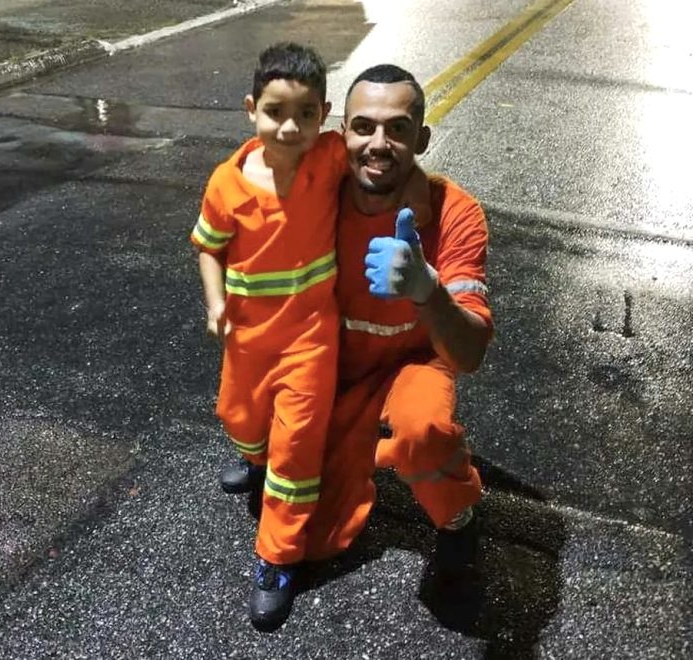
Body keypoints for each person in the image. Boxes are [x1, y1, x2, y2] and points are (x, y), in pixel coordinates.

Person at [190, 45, 429, 629]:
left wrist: (422, 205)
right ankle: (253, 456)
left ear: (324, 116)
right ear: (252, 109)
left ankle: (276, 559)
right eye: (276, 111)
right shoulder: (226, 183)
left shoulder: (328, 158)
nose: (290, 126)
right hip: (248, 339)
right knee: (241, 418)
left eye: (304, 113)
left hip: (309, 342)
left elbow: (392, 163)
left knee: (297, 453)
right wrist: (216, 302)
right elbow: (208, 247)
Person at [303, 64, 493, 562]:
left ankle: (456, 518)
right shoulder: (317, 194)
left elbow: (469, 352)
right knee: (311, 533)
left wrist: (426, 289)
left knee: (422, 431)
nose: (379, 143)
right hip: (337, 363)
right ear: (341, 132)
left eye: (398, 129)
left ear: (422, 139)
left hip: (413, 364)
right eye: (364, 126)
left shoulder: (456, 213)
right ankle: (264, 452)